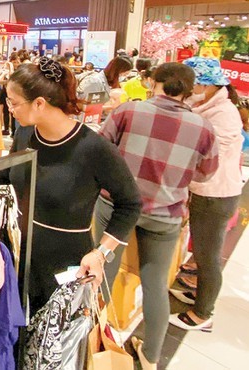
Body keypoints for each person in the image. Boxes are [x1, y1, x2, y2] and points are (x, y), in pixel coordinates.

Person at [94, 62, 219, 370]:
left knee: (101, 280)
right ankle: (150, 357)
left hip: (117, 206)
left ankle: (90, 344)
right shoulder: (203, 127)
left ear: (153, 82)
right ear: (189, 91)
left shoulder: (128, 112)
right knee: (155, 284)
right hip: (166, 214)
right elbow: (207, 172)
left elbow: (100, 150)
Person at [2, 57, 142, 315]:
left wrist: (101, 253)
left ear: (40, 103)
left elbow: (130, 203)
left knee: (54, 347)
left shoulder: (93, 148)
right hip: (17, 253)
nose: (9, 108)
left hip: (65, 263)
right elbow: (8, 175)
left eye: (13, 102)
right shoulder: (24, 134)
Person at [169, 58, 243, 332]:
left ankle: (203, 313)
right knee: (201, 252)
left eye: (196, 85)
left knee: (208, 255)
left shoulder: (223, 114)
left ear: (210, 85)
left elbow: (210, 157)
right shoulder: (205, 106)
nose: (193, 91)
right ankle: (200, 296)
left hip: (216, 195)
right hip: (204, 191)